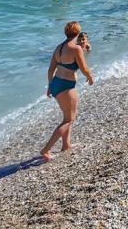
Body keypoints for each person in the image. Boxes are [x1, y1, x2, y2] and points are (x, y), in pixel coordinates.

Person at [40, 21, 94, 161]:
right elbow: (84, 68)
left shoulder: (59, 47)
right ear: (77, 33)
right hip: (66, 86)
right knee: (69, 119)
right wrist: (90, 77)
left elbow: (51, 69)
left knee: (67, 116)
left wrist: (50, 86)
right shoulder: (75, 48)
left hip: (57, 83)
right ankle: (46, 150)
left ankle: (66, 145)